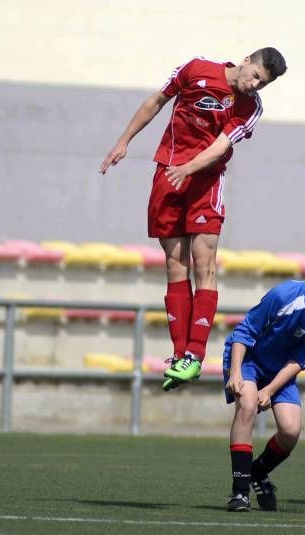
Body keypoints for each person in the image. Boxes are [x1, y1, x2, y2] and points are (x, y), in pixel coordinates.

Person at [99, 48, 287, 391]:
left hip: (205, 181)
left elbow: (219, 146)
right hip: (167, 172)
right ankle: (180, 353)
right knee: (174, 264)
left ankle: (195, 354)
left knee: (205, 265)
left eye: (264, 83)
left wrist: (187, 169)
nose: (256, 85)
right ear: (246, 60)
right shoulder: (195, 68)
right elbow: (157, 101)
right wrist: (123, 142)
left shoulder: (250, 107)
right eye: (256, 75)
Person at [223, 245, 305, 512]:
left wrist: (270, 390)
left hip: (279, 371)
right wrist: (236, 372)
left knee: (291, 431)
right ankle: (239, 493)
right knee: (247, 406)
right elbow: (244, 331)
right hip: (248, 359)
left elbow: (299, 361)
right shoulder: (285, 294)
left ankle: (258, 472)